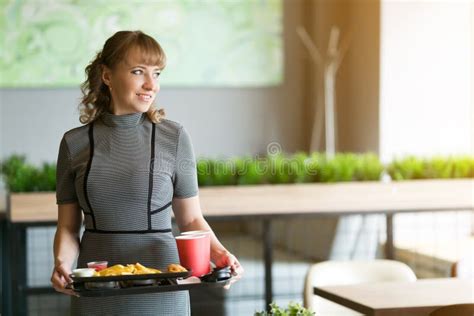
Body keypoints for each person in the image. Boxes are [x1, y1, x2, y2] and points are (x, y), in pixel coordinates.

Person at [50, 30, 243, 315]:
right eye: (138, 71)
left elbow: (190, 219)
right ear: (107, 76)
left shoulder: (174, 137)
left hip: (163, 284)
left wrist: (220, 254)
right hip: (98, 290)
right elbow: (67, 227)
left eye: (157, 73)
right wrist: (62, 265)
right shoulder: (73, 143)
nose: (151, 84)